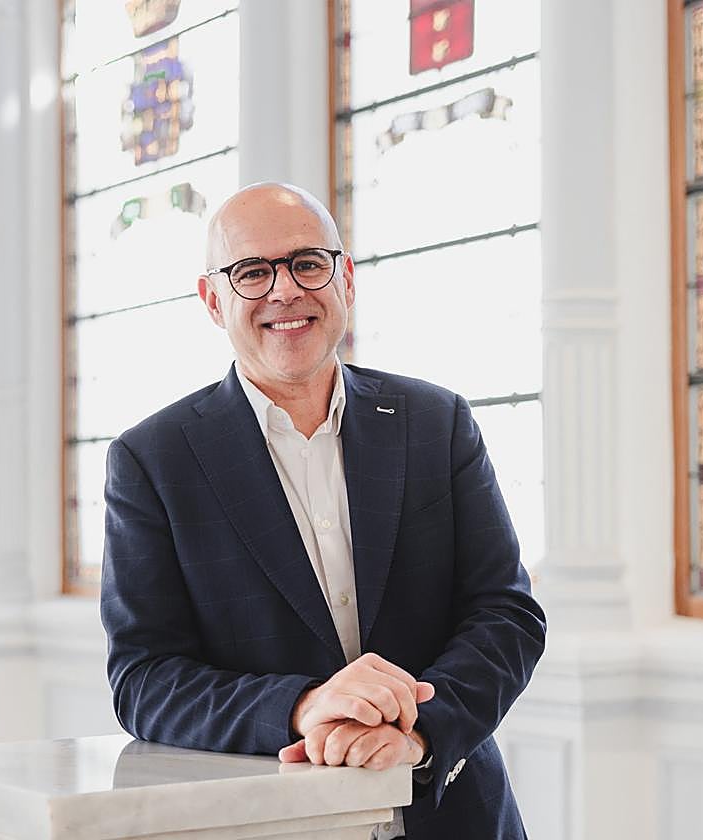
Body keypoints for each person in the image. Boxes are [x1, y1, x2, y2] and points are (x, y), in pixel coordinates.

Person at [101, 182, 546, 838]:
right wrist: (303, 707)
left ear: (346, 279)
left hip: (455, 814)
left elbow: (505, 614)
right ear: (212, 299)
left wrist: (418, 733)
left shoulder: (435, 422)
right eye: (252, 272)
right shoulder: (152, 460)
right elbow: (144, 679)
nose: (285, 291)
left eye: (308, 263)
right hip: (270, 823)